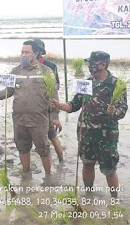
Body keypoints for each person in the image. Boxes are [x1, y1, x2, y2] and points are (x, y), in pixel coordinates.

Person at [50, 51, 128, 197]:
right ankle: (89, 195)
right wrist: (59, 105)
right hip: (85, 134)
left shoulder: (117, 84)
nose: (90, 66)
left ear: (103, 64)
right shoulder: (86, 82)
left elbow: (123, 110)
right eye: (89, 63)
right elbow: (74, 105)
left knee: (109, 169)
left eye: (93, 63)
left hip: (107, 136)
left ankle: (114, 199)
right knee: (87, 164)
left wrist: (114, 111)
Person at [0, 40, 58, 175]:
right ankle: (26, 175)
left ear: (36, 53)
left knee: (43, 149)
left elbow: (54, 96)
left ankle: (48, 177)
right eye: (22, 52)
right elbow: (8, 91)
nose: (23, 55)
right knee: (22, 147)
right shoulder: (15, 71)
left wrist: (55, 117)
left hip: (39, 119)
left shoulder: (46, 71)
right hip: (19, 119)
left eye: (26, 52)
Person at [33, 39, 63, 162]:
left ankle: (61, 160)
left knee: (52, 135)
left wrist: (55, 115)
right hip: (31, 107)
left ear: (40, 51)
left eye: (36, 50)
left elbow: (56, 87)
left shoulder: (50, 66)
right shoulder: (26, 65)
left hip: (46, 108)